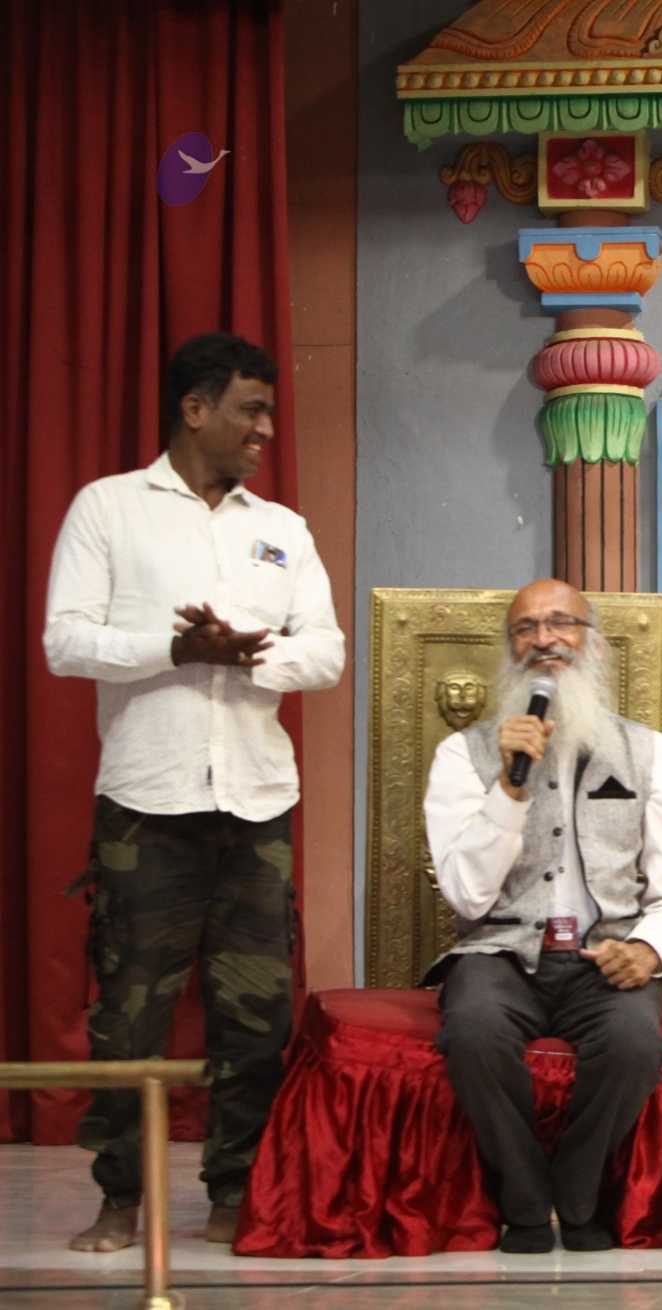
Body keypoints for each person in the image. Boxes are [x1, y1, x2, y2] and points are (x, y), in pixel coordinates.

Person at [46, 332, 346, 1251]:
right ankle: (120, 1198)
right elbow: (66, 641)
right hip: (146, 804)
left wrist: (251, 656)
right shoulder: (108, 509)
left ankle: (235, 1189)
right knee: (128, 1012)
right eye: (251, 410)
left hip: (257, 804)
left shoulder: (282, 529)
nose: (266, 429)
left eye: (268, 412)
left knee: (254, 1016)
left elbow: (326, 654)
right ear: (195, 409)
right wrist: (175, 649)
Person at [422, 578, 662, 1254]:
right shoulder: (461, 756)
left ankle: (578, 1199)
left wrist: (649, 950)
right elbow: (467, 896)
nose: (544, 639)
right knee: (473, 1031)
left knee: (634, 1043)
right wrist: (509, 787)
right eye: (526, 628)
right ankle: (524, 1205)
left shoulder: (650, 753)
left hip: (606, 954)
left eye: (561, 623)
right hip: (499, 954)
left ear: (593, 642)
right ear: (508, 649)